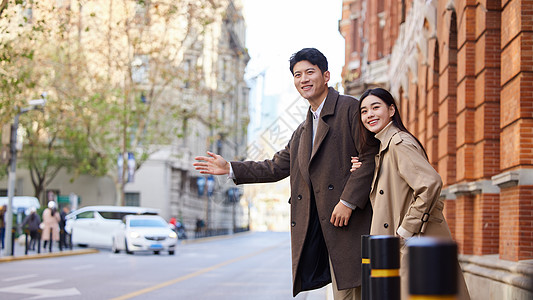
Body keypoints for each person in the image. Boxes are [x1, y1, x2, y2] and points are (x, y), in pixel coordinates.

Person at [194, 48, 379, 299]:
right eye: (297, 74)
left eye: (309, 72)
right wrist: (230, 168)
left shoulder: (350, 108)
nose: (303, 79)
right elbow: (275, 166)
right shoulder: (303, 130)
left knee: (356, 293)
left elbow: (370, 157)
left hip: (350, 226)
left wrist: (348, 201)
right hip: (321, 229)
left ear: (326, 76)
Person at [350, 87, 470, 299]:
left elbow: (430, 183)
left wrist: (406, 229)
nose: (370, 115)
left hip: (413, 243)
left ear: (392, 110)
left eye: (375, 107)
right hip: (404, 246)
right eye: (364, 111)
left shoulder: (398, 143)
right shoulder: (385, 147)